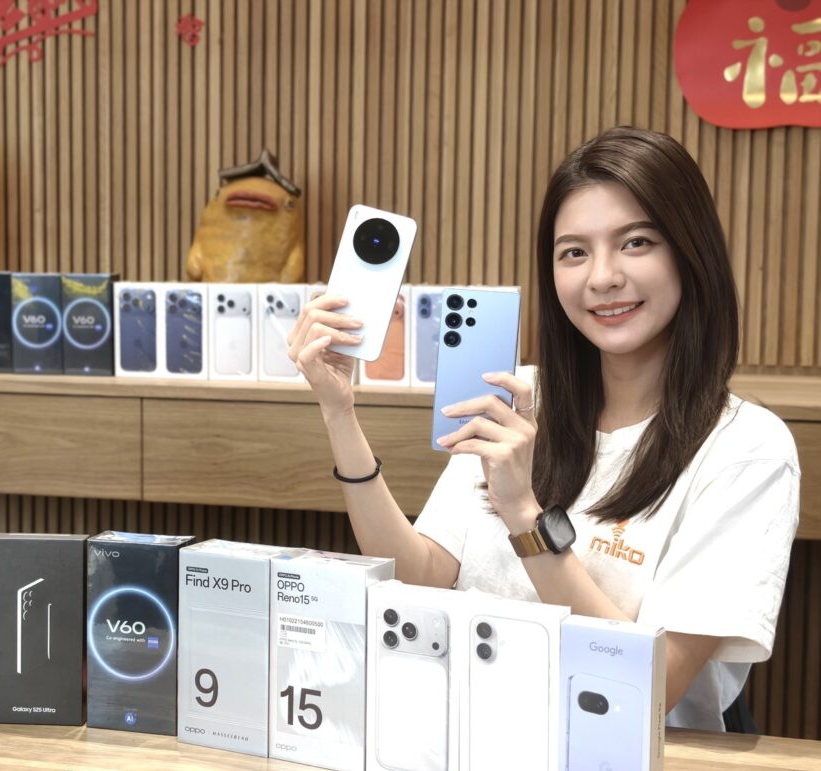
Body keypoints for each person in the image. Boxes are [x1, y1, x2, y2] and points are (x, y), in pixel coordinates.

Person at [285, 126, 800, 731]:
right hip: (465, 735)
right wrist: (339, 412)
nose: (602, 277)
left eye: (636, 243)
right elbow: (422, 576)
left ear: (691, 253)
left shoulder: (747, 449)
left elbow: (650, 685)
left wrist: (526, 518)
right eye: (574, 252)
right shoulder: (519, 397)